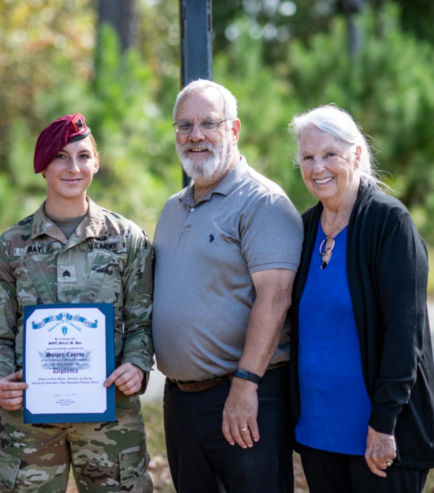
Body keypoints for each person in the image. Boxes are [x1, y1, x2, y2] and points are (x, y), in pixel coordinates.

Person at [0, 113, 154, 492]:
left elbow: (141, 324)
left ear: (96, 162)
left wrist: (136, 366)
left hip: (112, 418)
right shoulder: (11, 247)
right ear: (43, 166)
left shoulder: (128, 240)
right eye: (60, 157)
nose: (73, 167)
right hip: (28, 422)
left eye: (83, 156)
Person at [152, 80, 304, 493]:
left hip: (244, 395)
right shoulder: (171, 207)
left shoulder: (262, 202)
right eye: (184, 125)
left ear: (234, 130)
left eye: (208, 123)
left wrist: (245, 385)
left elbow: (275, 299)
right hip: (180, 399)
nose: (195, 136)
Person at [288, 104, 434, 493]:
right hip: (318, 434)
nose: (317, 167)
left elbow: (404, 335)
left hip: (380, 437)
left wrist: (384, 423)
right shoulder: (304, 229)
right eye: (307, 157)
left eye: (329, 155)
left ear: (356, 155)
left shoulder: (389, 224)